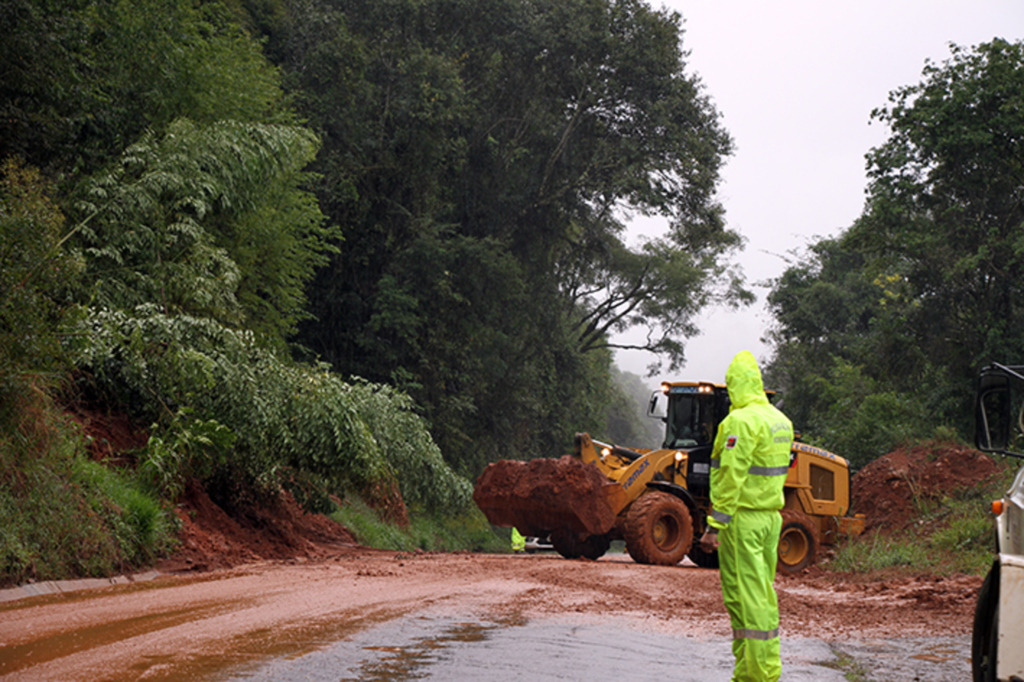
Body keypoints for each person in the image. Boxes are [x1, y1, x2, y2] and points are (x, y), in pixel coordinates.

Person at [699, 350, 793, 682]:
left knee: (747, 597)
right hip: (771, 518)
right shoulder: (781, 422)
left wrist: (714, 525)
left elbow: (730, 477)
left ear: (736, 386)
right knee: (756, 592)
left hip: (744, 520)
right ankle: (747, 671)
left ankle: (761, 674)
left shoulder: (739, 422)